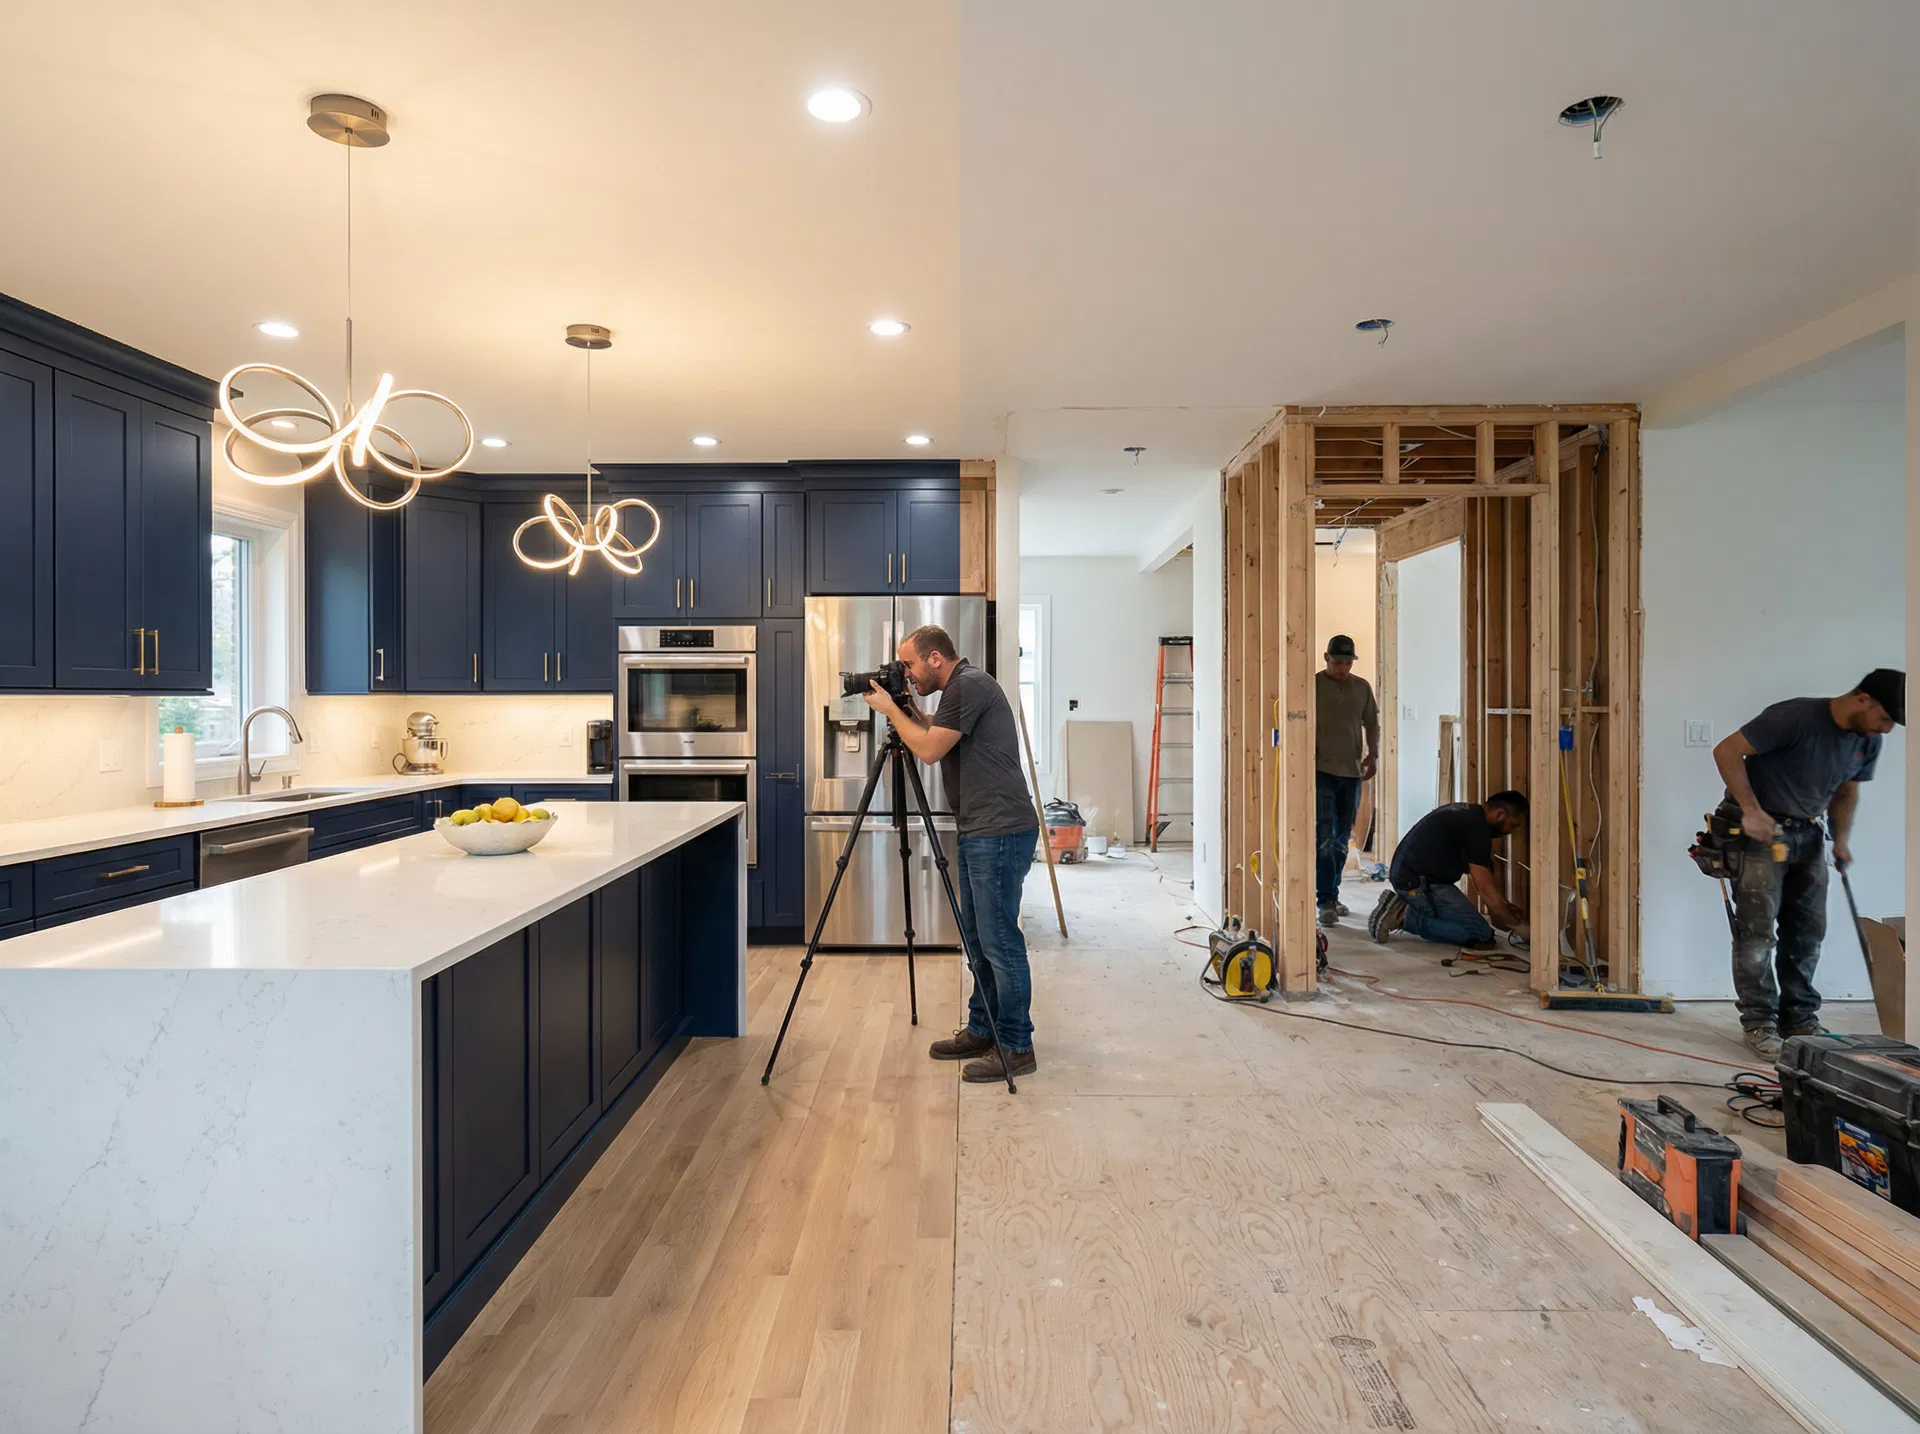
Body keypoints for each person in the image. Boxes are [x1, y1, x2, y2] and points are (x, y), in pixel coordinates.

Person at [861, 623, 1040, 1082]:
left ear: (935, 658)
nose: (907, 674)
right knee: (978, 938)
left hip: (998, 830)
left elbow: (927, 750)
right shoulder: (959, 690)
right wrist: (906, 710)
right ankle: (983, 1030)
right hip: (981, 829)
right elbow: (932, 731)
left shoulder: (970, 685)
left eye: (910, 665)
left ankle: (1017, 1045)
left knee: (999, 940)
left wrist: (890, 710)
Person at [1711, 669, 1902, 1060]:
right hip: (1760, 833)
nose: (1886, 730)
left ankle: (1799, 1018)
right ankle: (1760, 1022)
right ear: (1863, 699)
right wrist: (1750, 810)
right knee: (1758, 932)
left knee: (1808, 930)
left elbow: (1847, 791)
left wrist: (1842, 840)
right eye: (1885, 718)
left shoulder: (1866, 742)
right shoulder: (1794, 717)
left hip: (1809, 835)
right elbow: (1727, 750)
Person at [1368, 792, 1530, 950]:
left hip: (1412, 876)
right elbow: (1484, 888)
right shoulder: (1475, 828)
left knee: (1464, 925)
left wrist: (1505, 906)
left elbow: (1484, 877)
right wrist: (1518, 926)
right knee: (1480, 935)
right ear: (1501, 814)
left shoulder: (1468, 815)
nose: (1511, 832)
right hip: (1417, 884)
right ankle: (1404, 915)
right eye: (1513, 825)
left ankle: (1404, 908)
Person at [1315, 634, 1380, 928]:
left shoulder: (1362, 688)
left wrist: (1373, 755)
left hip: (1352, 773)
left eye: (1347, 663)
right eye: (1338, 662)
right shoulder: (1313, 686)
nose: (1343, 668)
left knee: (1342, 839)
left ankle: (1333, 893)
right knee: (1325, 837)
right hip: (1320, 771)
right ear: (1326, 658)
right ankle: (1324, 900)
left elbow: (1372, 723)